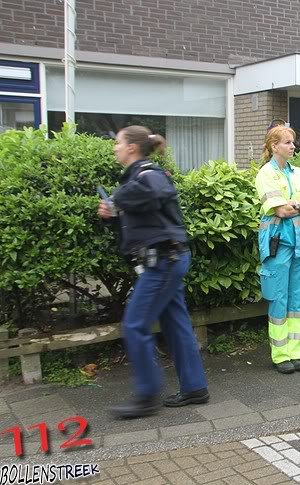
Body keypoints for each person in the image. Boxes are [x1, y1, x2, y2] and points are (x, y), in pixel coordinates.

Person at [98, 125, 209, 419]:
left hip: (163, 262)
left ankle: (147, 396)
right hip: (167, 259)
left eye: (118, 143)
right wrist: (112, 215)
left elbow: (155, 191)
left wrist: (117, 200)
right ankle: (195, 387)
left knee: (135, 325)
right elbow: (142, 219)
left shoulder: (149, 174)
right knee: (176, 322)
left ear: (132, 148)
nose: (115, 148)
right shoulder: (138, 178)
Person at [255, 125, 300, 374]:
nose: (293, 146)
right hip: (277, 244)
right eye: (288, 142)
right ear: (274, 146)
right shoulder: (265, 174)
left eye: (293, 142)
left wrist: (295, 204)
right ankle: (280, 354)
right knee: (278, 298)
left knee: (298, 299)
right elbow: (280, 211)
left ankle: (296, 353)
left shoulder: (298, 172)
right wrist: (299, 203)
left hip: (299, 244)